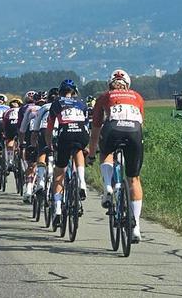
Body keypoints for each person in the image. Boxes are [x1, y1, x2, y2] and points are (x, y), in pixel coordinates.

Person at [88, 69, 146, 243]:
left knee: (105, 153)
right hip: (135, 132)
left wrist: (91, 153)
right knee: (134, 179)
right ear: (128, 84)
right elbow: (141, 122)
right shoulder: (137, 96)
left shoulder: (105, 96)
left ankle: (107, 186)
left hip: (113, 129)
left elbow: (96, 130)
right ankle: (136, 228)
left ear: (110, 84)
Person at [47, 80, 89, 227]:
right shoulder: (81, 102)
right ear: (75, 92)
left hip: (65, 134)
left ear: (60, 92)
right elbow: (86, 123)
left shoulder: (57, 103)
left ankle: (58, 210)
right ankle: (82, 182)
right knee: (78, 150)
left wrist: (49, 145)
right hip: (81, 133)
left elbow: (50, 126)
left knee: (59, 173)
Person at [18, 91, 44, 203]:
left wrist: (21, 143)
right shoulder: (50, 108)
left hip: (30, 135)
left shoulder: (29, 109)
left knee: (31, 164)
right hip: (45, 135)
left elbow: (22, 128)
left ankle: (28, 189)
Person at [34, 87, 60, 192]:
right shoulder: (63, 106)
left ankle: (40, 180)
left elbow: (36, 124)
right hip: (58, 130)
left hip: (44, 129)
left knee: (42, 152)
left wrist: (34, 137)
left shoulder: (44, 106)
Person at [2, 98, 22, 172]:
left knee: (10, 140)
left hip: (10, 124)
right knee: (22, 143)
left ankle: (10, 160)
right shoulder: (22, 109)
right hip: (20, 124)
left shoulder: (7, 111)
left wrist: (4, 132)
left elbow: (4, 122)